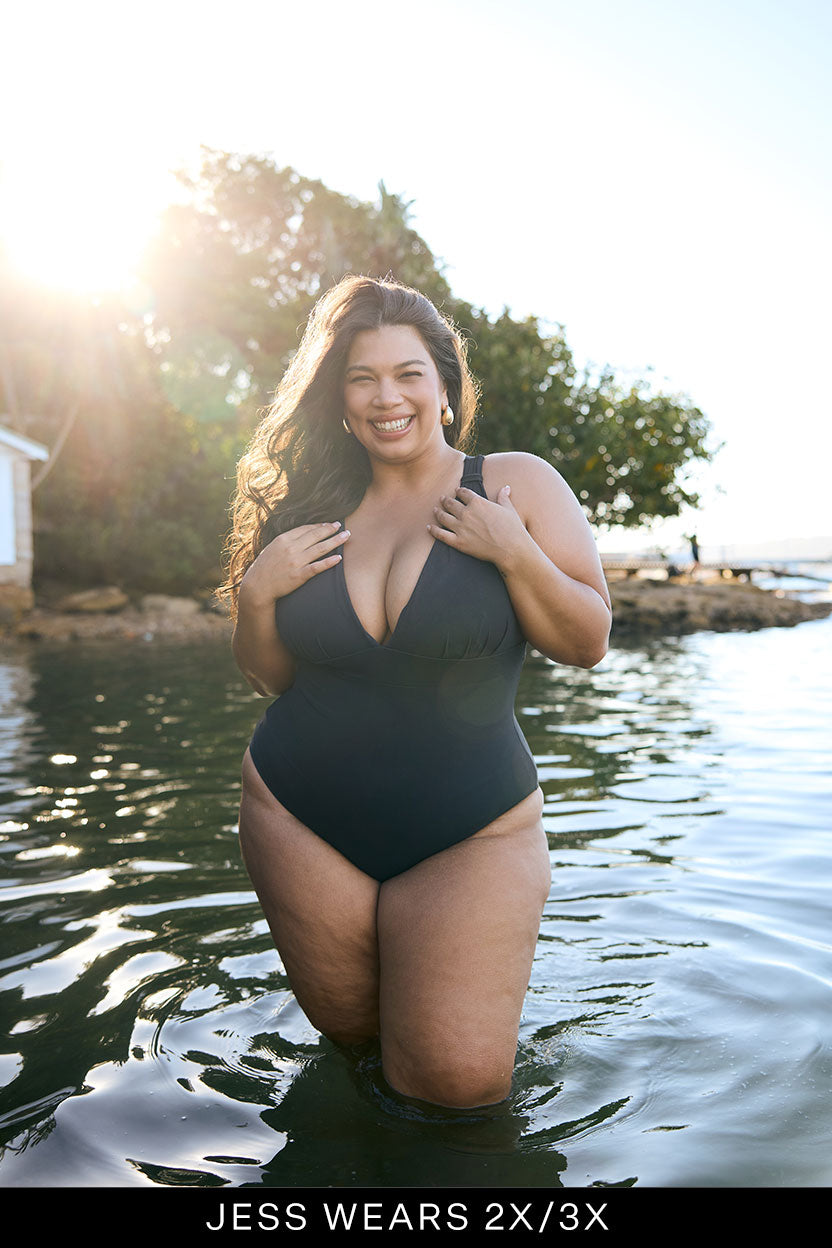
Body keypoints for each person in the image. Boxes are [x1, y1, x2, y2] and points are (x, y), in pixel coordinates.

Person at [223, 275, 611, 1109]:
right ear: (338, 399)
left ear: (444, 387)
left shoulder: (514, 484)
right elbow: (268, 676)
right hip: (300, 821)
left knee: (456, 1091)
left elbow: (587, 642)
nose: (385, 397)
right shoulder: (310, 512)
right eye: (361, 378)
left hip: (471, 831)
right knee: (358, 1059)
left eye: (407, 374)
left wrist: (513, 551)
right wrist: (257, 594)